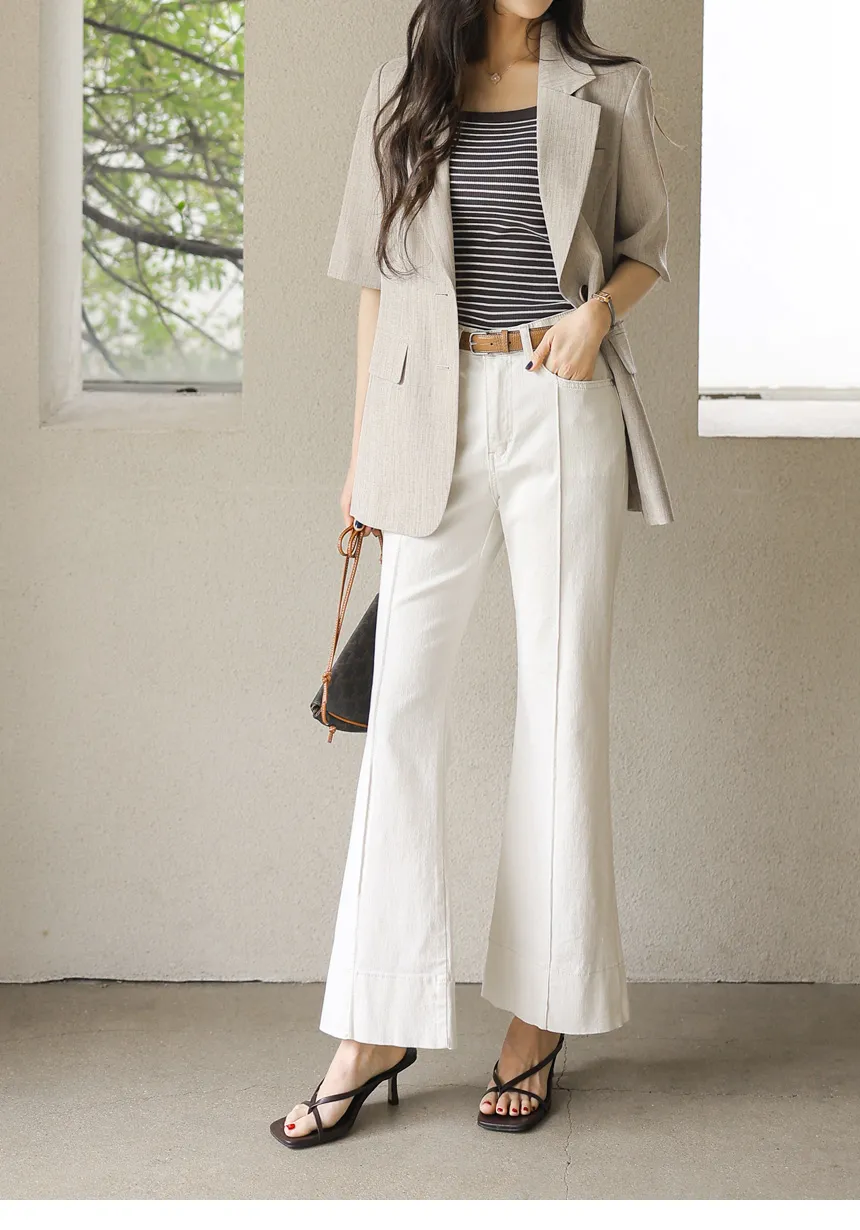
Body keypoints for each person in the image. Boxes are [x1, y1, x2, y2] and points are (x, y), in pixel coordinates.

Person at [271, 0, 672, 1149]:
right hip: (428, 415)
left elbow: (647, 244)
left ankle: (539, 1014)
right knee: (398, 710)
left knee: (560, 706)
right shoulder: (402, 95)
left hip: (560, 402)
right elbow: (373, 284)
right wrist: (361, 456)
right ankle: (373, 1025)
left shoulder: (610, 87)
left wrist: (594, 315)